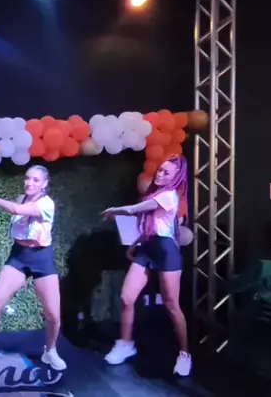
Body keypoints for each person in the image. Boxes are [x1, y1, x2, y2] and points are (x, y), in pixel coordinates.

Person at [0, 165, 66, 380]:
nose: (30, 183)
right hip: (19, 256)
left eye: (36, 180)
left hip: (42, 258)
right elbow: (19, 214)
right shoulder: (21, 198)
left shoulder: (46, 203)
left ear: (45, 184)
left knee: (53, 315)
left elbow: (18, 211)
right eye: (28, 178)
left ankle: (50, 350)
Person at [100, 155, 192, 377]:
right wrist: (134, 246)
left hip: (166, 251)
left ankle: (184, 354)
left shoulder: (169, 196)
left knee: (171, 305)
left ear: (175, 177)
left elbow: (135, 210)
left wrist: (114, 209)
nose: (160, 174)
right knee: (127, 298)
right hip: (148, 248)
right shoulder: (155, 194)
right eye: (160, 170)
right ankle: (125, 343)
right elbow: (151, 228)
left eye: (166, 172)